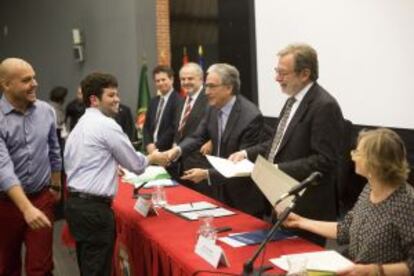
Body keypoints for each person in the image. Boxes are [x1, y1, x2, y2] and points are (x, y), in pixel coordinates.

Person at [229, 43, 344, 245]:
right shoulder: (292, 101)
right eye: (277, 71)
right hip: (282, 201)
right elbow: (277, 142)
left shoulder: (324, 106)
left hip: (307, 206)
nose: (277, 78)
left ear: (305, 74)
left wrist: (276, 169)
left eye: (283, 73)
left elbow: (324, 161)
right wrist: (246, 154)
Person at [64, 72, 169, 276]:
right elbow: (136, 165)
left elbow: (81, 162)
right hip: (95, 212)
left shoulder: (79, 126)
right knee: (98, 270)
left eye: (117, 94)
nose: (117, 99)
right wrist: (153, 158)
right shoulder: (106, 124)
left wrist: (109, 165)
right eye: (111, 95)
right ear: (94, 100)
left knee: (87, 266)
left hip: (75, 205)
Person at [283, 128, 414, 275]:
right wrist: (301, 222)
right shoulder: (370, 187)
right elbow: (346, 230)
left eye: (357, 153)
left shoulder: (407, 203)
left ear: (376, 162)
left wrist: (376, 270)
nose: (352, 157)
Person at [167, 63, 268, 217]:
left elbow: (241, 163)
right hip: (218, 191)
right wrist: (176, 151)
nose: (206, 92)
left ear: (229, 88)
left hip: (241, 196)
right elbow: (198, 136)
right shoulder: (212, 108)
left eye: (212, 87)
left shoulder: (250, 116)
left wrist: (207, 174)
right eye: (206, 86)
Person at [0, 58, 62, 275]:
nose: (34, 84)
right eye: (26, 80)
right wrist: (26, 208)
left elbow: (54, 150)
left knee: (41, 267)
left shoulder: (46, 111)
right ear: (6, 85)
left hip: (41, 198)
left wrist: (55, 185)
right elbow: (3, 168)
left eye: (34, 77)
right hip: (5, 206)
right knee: (7, 266)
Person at [172, 62, 211, 191]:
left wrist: (212, 141)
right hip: (181, 165)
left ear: (201, 79)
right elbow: (180, 130)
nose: (186, 82)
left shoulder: (210, 99)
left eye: (190, 78)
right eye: (183, 79)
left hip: (201, 166)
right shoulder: (182, 101)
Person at [143, 65, 182, 153]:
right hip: (151, 151)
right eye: (157, 81)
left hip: (168, 152)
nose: (160, 83)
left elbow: (174, 128)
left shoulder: (179, 101)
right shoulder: (153, 101)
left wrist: (156, 145)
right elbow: (146, 126)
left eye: (163, 80)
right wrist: (148, 144)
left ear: (171, 80)